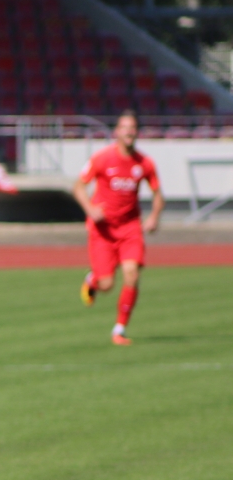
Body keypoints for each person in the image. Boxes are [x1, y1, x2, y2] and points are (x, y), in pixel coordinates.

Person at [76, 110, 163, 346]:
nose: (129, 132)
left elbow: (158, 195)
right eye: (125, 127)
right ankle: (93, 280)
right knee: (106, 284)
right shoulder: (102, 159)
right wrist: (90, 209)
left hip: (129, 229)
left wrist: (154, 216)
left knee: (132, 274)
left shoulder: (144, 163)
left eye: (133, 128)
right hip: (103, 230)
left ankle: (119, 329)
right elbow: (78, 186)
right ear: (116, 132)